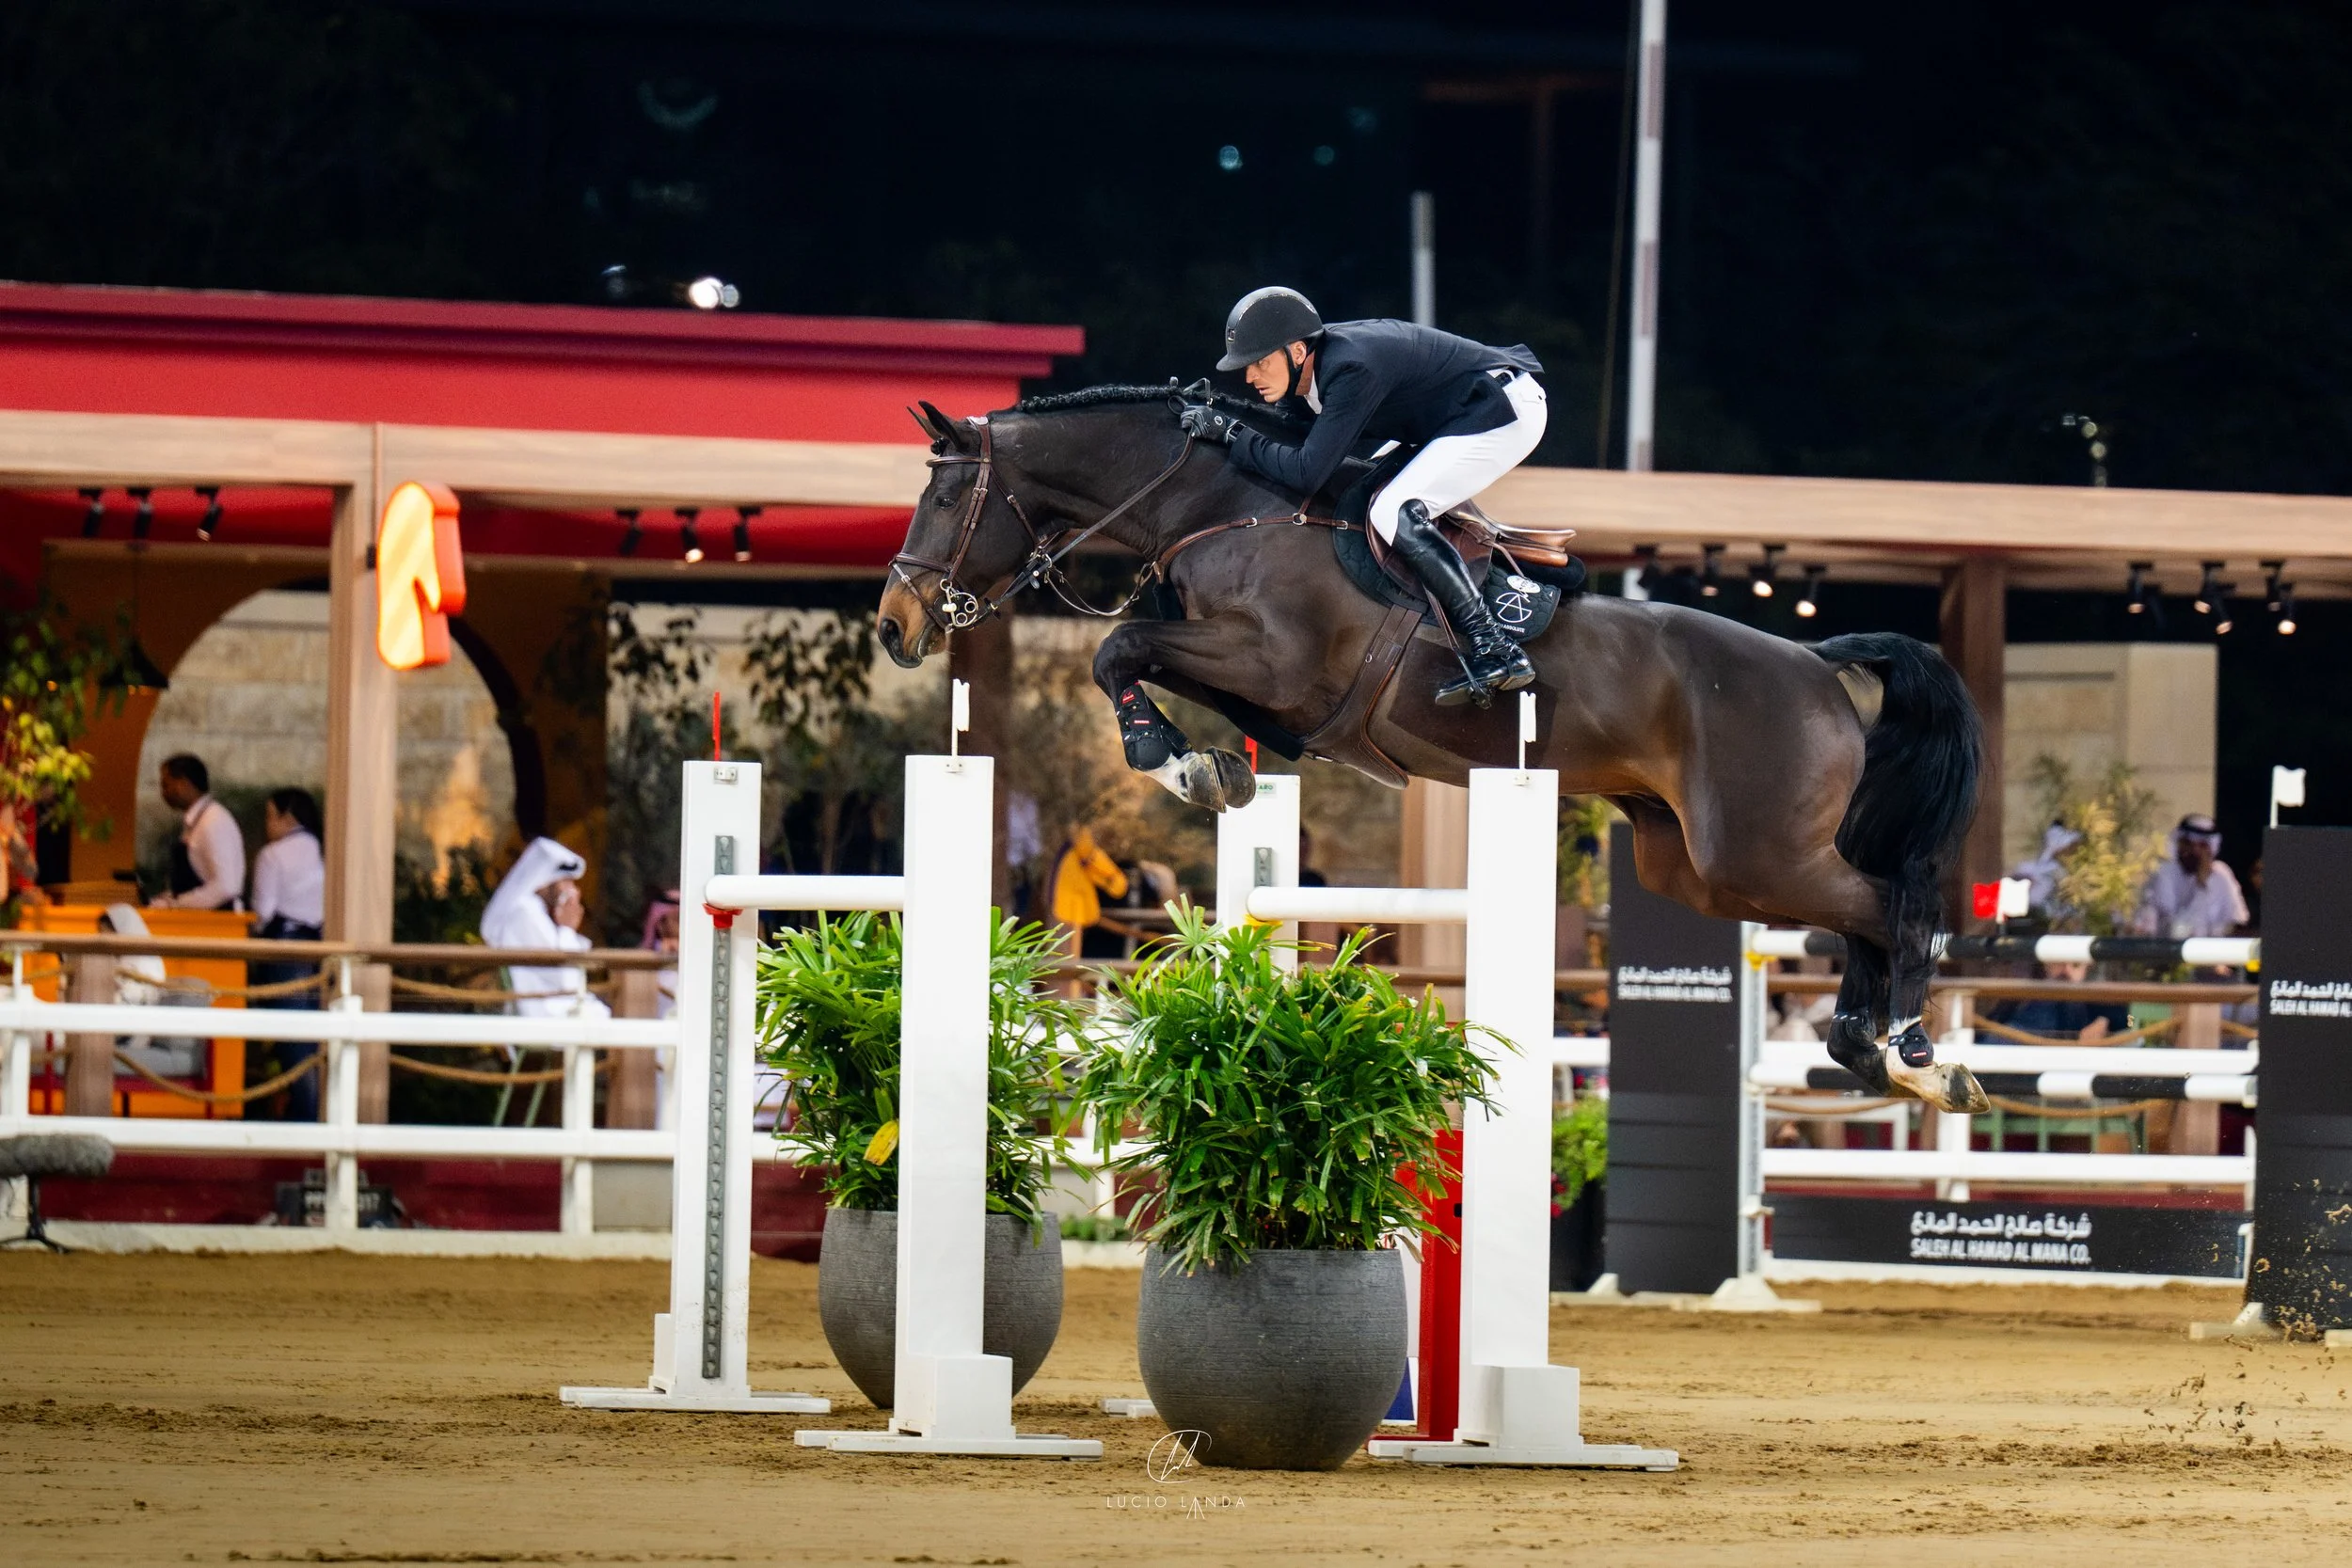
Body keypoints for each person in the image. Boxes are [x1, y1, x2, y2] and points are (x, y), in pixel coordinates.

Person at [1179, 287, 1547, 707]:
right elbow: (1295, 439)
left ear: (1297, 351)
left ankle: (1494, 646)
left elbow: (1306, 472)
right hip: (1453, 414)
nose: (1249, 377)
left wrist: (1230, 433)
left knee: (1395, 510)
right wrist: (1219, 414)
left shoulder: (1352, 369)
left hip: (1502, 410)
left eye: (1260, 362)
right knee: (1368, 488)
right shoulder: (1317, 370)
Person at [248, 788, 326, 1120]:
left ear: (287, 817)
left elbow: (262, 912)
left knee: (293, 1044)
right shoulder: (327, 852)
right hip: (323, 950)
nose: (267, 825)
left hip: (284, 951)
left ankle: (304, 1121)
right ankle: (319, 1118)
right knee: (316, 1044)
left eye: (270, 816)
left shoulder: (273, 855)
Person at [481, 838, 610, 1020]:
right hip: (541, 1011)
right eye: (565, 882)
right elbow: (567, 981)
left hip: (549, 1004)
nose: (572, 890)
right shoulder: (526, 912)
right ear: (544, 881)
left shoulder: (535, 911)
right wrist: (567, 929)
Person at [150, 753, 245, 911]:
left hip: (217, 923)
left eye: (166, 785)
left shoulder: (214, 821)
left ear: (183, 784)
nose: (163, 793)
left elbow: (226, 886)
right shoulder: (198, 820)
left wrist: (177, 904)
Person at [2134, 814, 2249, 941]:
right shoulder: (2165, 873)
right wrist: (2201, 886)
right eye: (2188, 844)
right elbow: (2177, 932)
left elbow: (2238, 921)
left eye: (2202, 846)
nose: (2195, 851)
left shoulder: (2222, 874)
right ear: (2179, 843)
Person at [2008, 821, 2082, 920]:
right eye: (2071, 847)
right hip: (2023, 885)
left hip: (2029, 898)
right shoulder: (2055, 840)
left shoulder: (2056, 867)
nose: (2071, 851)